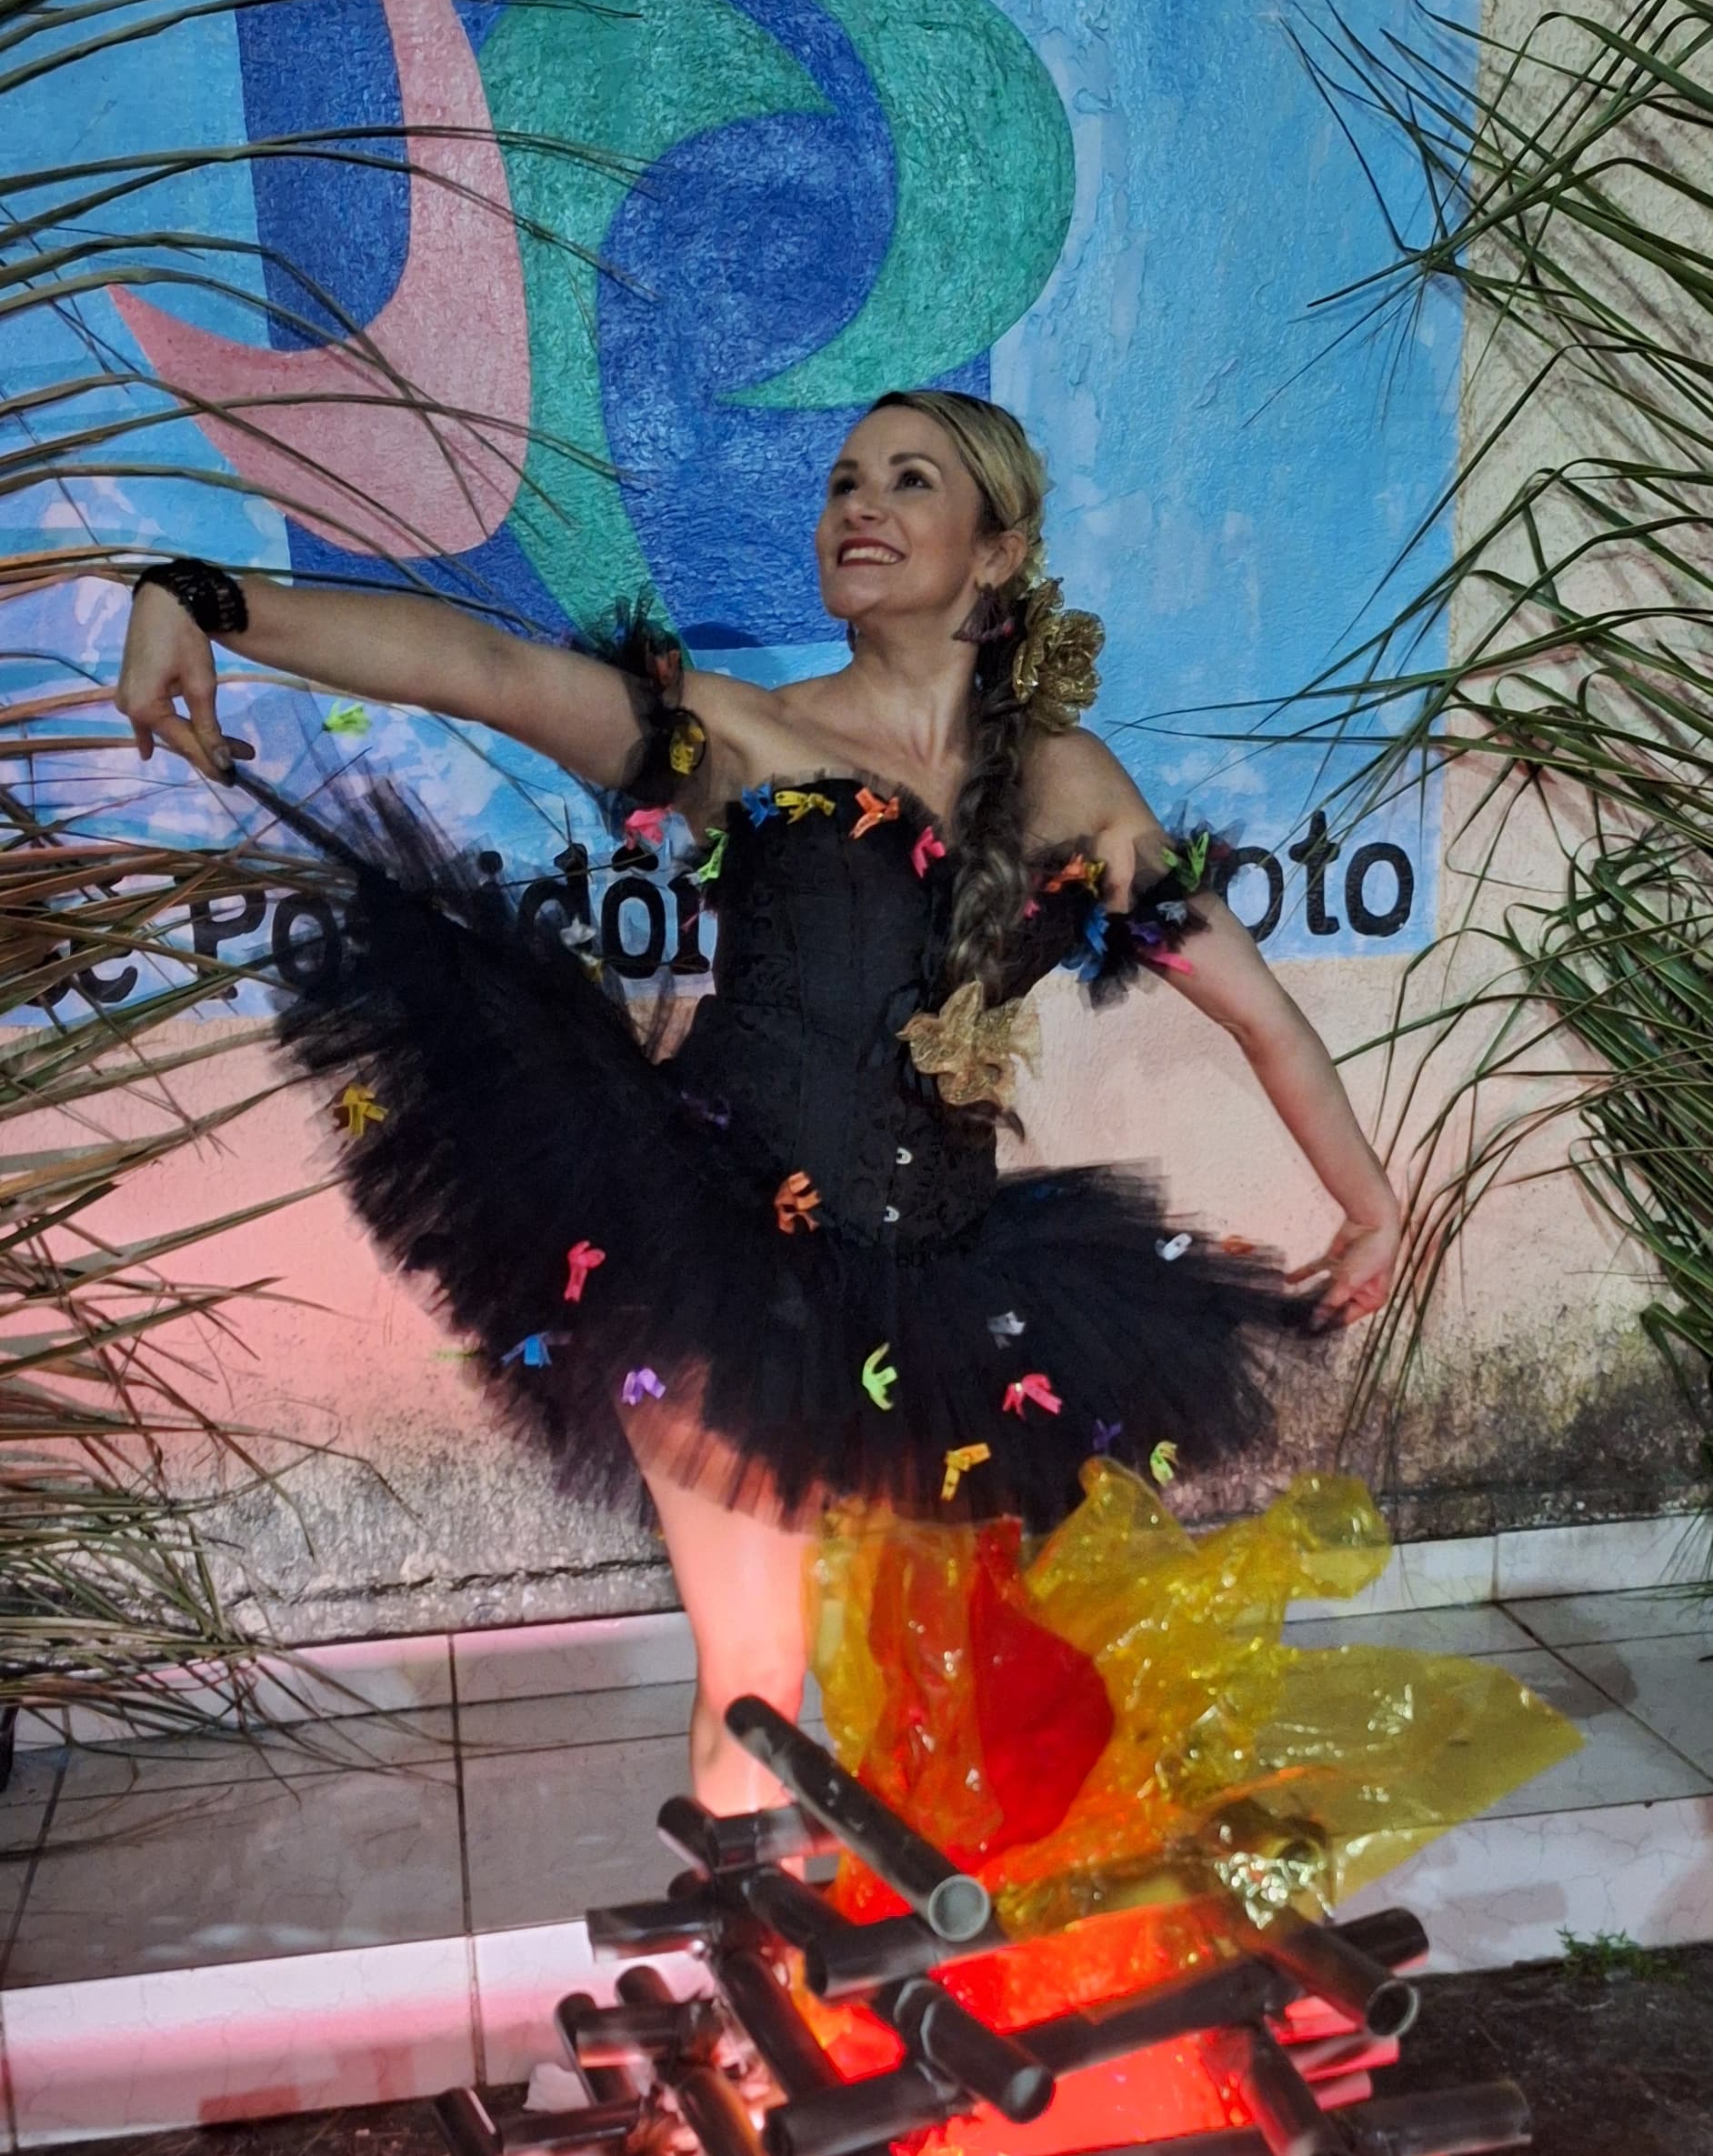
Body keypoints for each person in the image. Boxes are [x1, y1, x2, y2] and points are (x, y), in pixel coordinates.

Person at [116, 390, 1401, 1814]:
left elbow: (1258, 1012)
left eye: (908, 481)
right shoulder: (743, 734)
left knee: (970, 1681)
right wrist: (204, 598)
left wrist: (1369, 1203)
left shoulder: (1075, 788)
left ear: (997, 551)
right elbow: (488, 669)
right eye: (844, 482)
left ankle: (916, 1944)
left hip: (956, 1289)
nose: (860, 506)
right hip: (719, 1267)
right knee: (757, 1671)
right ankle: (737, 1953)